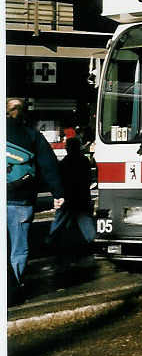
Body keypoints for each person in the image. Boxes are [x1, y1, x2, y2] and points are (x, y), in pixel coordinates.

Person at [7, 98, 65, 302]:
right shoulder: (32, 135)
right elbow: (49, 167)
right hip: (21, 201)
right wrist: (58, 194)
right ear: (25, 113)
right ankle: (13, 290)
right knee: (18, 249)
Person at [46, 136, 96, 262]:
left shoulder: (65, 162)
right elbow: (88, 179)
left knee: (60, 220)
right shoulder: (84, 161)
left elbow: (60, 180)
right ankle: (92, 242)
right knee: (85, 221)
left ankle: (51, 242)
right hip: (82, 196)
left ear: (68, 148)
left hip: (68, 197)